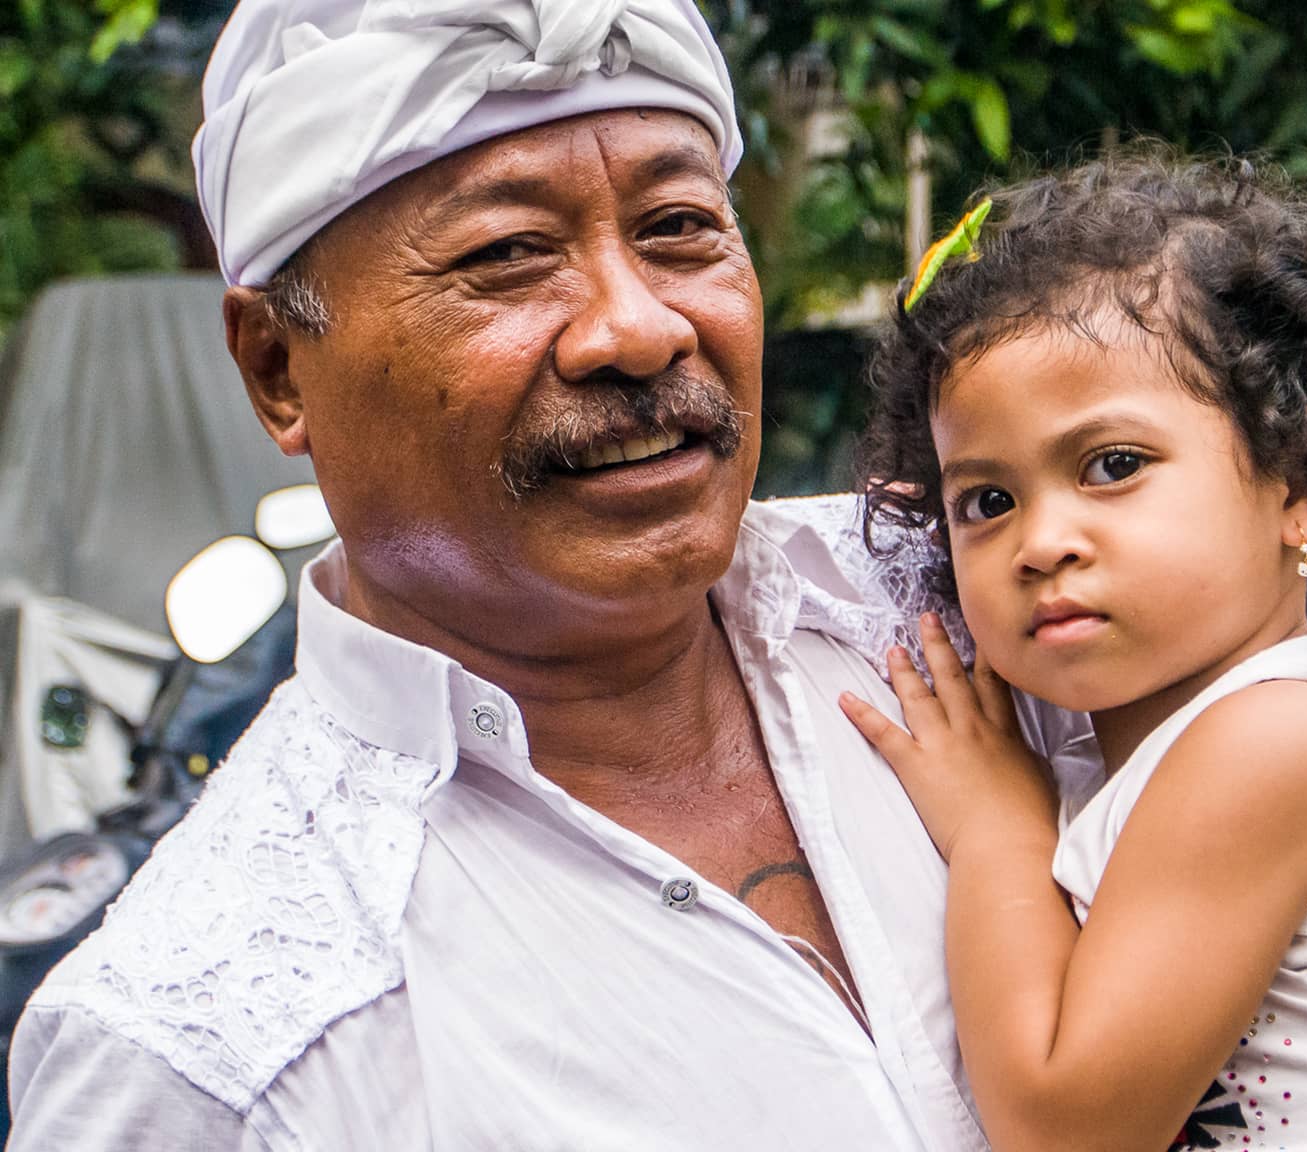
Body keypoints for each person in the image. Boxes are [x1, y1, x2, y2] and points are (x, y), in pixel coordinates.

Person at [4, 2, 1020, 1148]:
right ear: (277, 368)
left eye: (679, 227)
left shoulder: (985, 595)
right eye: (505, 255)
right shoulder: (210, 1057)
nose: (637, 330)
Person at [838, 150, 1307, 1152]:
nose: (1041, 540)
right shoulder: (1159, 742)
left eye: (1111, 465)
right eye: (987, 500)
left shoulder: (1281, 739)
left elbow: (1062, 1127)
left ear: (1301, 478)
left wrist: (993, 829)